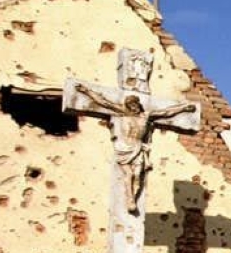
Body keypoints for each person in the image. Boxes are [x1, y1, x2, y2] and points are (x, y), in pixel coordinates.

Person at [72, 83, 196, 214]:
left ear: (138, 105)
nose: (134, 108)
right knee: (129, 173)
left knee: (138, 175)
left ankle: (133, 199)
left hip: (138, 147)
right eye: (131, 106)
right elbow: (104, 103)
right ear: (127, 106)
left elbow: (166, 112)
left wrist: (183, 108)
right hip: (125, 147)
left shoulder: (146, 115)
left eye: (135, 105)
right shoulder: (121, 112)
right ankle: (130, 199)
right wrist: (86, 91)